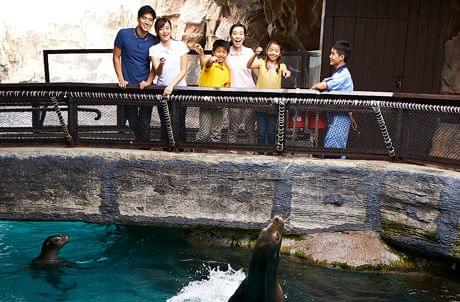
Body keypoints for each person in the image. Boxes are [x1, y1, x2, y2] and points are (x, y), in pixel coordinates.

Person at [113, 5, 159, 143]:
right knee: (132, 120)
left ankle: (145, 147)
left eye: (150, 20)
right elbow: (116, 57)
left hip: (145, 87)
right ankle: (145, 143)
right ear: (138, 18)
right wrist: (121, 79)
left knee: (145, 121)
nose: (147, 22)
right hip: (128, 86)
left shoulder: (154, 40)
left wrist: (149, 81)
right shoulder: (123, 34)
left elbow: (155, 65)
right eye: (144, 18)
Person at [149, 17, 189, 144]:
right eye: (161, 29)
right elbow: (158, 72)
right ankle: (165, 149)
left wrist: (171, 85)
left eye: (167, 28)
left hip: (180, 89)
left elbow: (183, 70)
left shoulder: (181, 46)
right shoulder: (154, 49)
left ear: (171, 30)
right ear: (157, 31)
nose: (164, 31)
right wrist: (161, 64)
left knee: (179, 120)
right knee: (165, 120)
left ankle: (180, 148)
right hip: (162, 89)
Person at [311, 40, 354, 159]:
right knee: (332, 148)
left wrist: (313, 87)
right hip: (334, 116)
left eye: (333, 53)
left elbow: (322, 86)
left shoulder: (343, 75)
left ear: (341, 57)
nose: (330, 56)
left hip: (340, 116)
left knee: (333, 150)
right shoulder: (338, 74)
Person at [247, 40, 291, 147]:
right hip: (261, 102)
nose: (273, 53)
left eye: (276, 51)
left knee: (271, 132)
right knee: (261, 131)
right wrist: (255, 54)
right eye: (271, 50)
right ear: (267, 51)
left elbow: (287, 71)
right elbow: (249, 65)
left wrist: (286, 73)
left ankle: (270, 152)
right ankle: (261, 152)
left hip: (274, 104)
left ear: (280, 53)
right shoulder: (261, 63)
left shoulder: (281, 66)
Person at [194, 40, 231, 142]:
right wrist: (210, 59)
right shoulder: (210, 64)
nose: (221, 54)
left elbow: (227, 85)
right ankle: (196, 149)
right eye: (218, 51)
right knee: (204, 133)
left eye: (224, 52)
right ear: (214, 52)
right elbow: (206, 63)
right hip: (205, 102)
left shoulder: (227, 70)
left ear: (227, 54)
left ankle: (212, 153)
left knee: (216, 132)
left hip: (219, 104)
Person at [226, 23, 257, 145]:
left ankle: (252, 149)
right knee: (233, 125)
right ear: (230, 36)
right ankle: (231, 149)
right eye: (235, 33)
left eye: (240, 33)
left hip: (249, 93)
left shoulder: (249, 52)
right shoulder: (226, 52)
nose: (237, 36)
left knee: (250, 126)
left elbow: (258, 72)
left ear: (244, 37)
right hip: (232, 94)